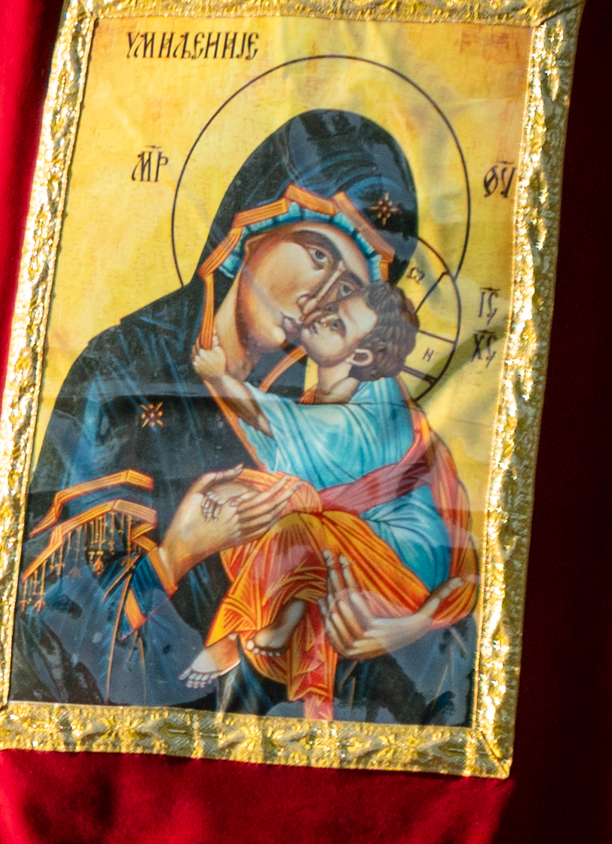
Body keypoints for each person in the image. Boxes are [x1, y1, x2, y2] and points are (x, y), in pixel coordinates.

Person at [9, 107, 479, 724]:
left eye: (348, 287)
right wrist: (177, 553)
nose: (322, 295)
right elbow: (36, 619)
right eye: (316, 255)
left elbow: (458, 635)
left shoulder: (351, 417)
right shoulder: (124, 368)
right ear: (256, 227)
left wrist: (396, 629)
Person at [180, 273, 478, 713]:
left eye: (336, 324)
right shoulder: (351, 381)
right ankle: (291, 612)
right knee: (243, 502)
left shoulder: (368, 417)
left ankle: (234, 636)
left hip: (403, 562)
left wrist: (219, 376)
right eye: (333, 307)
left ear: (360, 354)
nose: (322, 317)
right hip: (353, 540)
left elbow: (276, 426)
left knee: (295, 523)